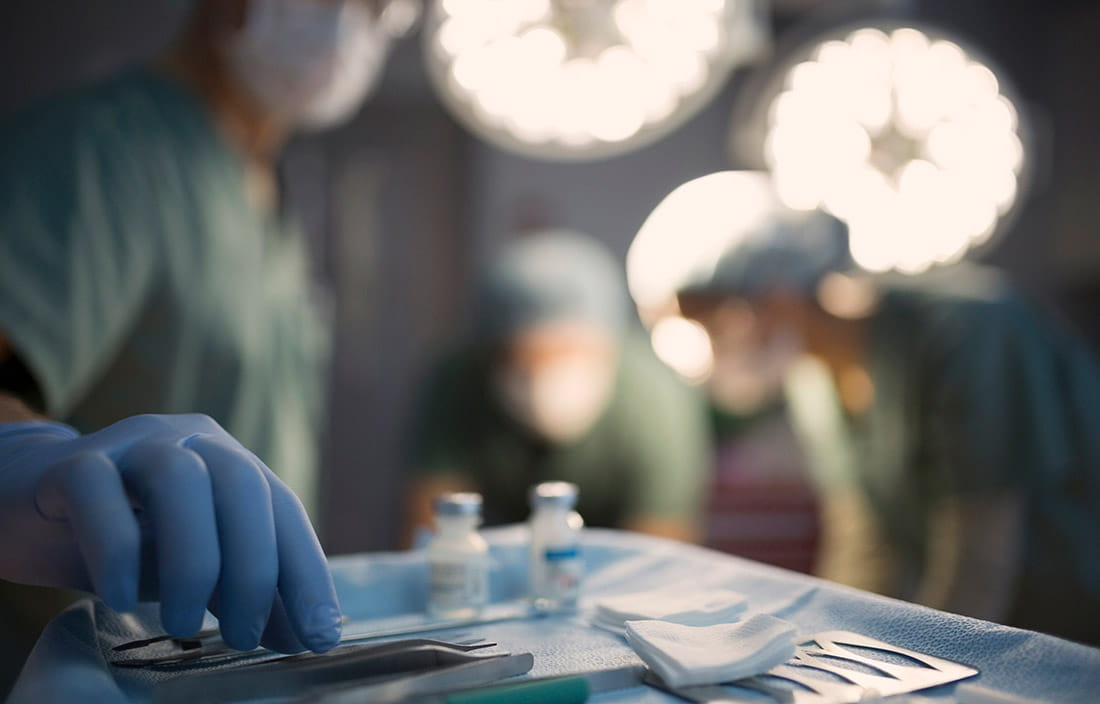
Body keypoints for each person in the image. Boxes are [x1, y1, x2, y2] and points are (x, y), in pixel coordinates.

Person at [0, 0, 405, 682]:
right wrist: (27, 467)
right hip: (87, 669)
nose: (351, 23)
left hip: (223, 668)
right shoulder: (99, 149)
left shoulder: (263, 186)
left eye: (376, 8)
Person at [671, 183, 1100, 644]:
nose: (711, 350)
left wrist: (931, 663)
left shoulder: (970, 328)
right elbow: (862, 536)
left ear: (777, 300)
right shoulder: (812, 375)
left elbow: (981, 547)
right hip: (982, 614)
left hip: (1066, 609)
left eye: (713, 326)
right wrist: (833, 649)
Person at [404, 229, 711, 543]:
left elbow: (662, 554)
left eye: (568, 354)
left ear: (609, 345)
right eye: (525, 361)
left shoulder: (657, 400)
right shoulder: (457, 383)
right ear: (491, 355)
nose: (545, 383)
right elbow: (433, 538)